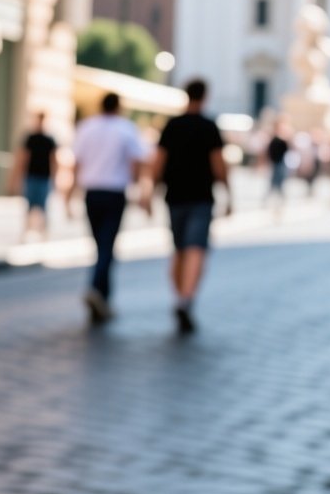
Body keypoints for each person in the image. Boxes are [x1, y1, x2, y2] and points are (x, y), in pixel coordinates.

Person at [148, 79, 230, 334]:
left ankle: (179, 297)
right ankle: (186, 298)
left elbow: (158, 163)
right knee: (196, 249)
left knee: (179, 249)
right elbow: (219, 164)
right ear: (205, 96)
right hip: (201, 197)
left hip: (174, 196)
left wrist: (149, 192)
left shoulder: (172, 125)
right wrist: (229, 193)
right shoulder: (209, 126)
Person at [68, 93, 151, 326]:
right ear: (119, 107)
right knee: (107, 246)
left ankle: (103, 298)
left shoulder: (87, 127)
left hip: (92, 192)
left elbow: (76, 163)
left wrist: (69, 194)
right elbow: (139, 162)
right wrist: (143, 192)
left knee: (100, 245)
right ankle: (97, 289)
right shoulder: (126, 129)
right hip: (114, 192)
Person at [11, 112, 58, 240]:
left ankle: (44, 233)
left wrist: (55, 178)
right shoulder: (30, 138)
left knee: (43, 206)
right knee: (29, 205)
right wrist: (17, 177)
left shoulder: (50, 139)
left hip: (44, 177)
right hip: (31, 176)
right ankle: (26, 232)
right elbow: (23, 158)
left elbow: (54, 160)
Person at [263, 121, 292, 215]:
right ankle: (270, 200)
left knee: (279, 183)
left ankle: (279, 201)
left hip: (280, 163)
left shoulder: (282, 140)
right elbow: (269, 152)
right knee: (273, 183)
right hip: (276, 163)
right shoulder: (274, 140)